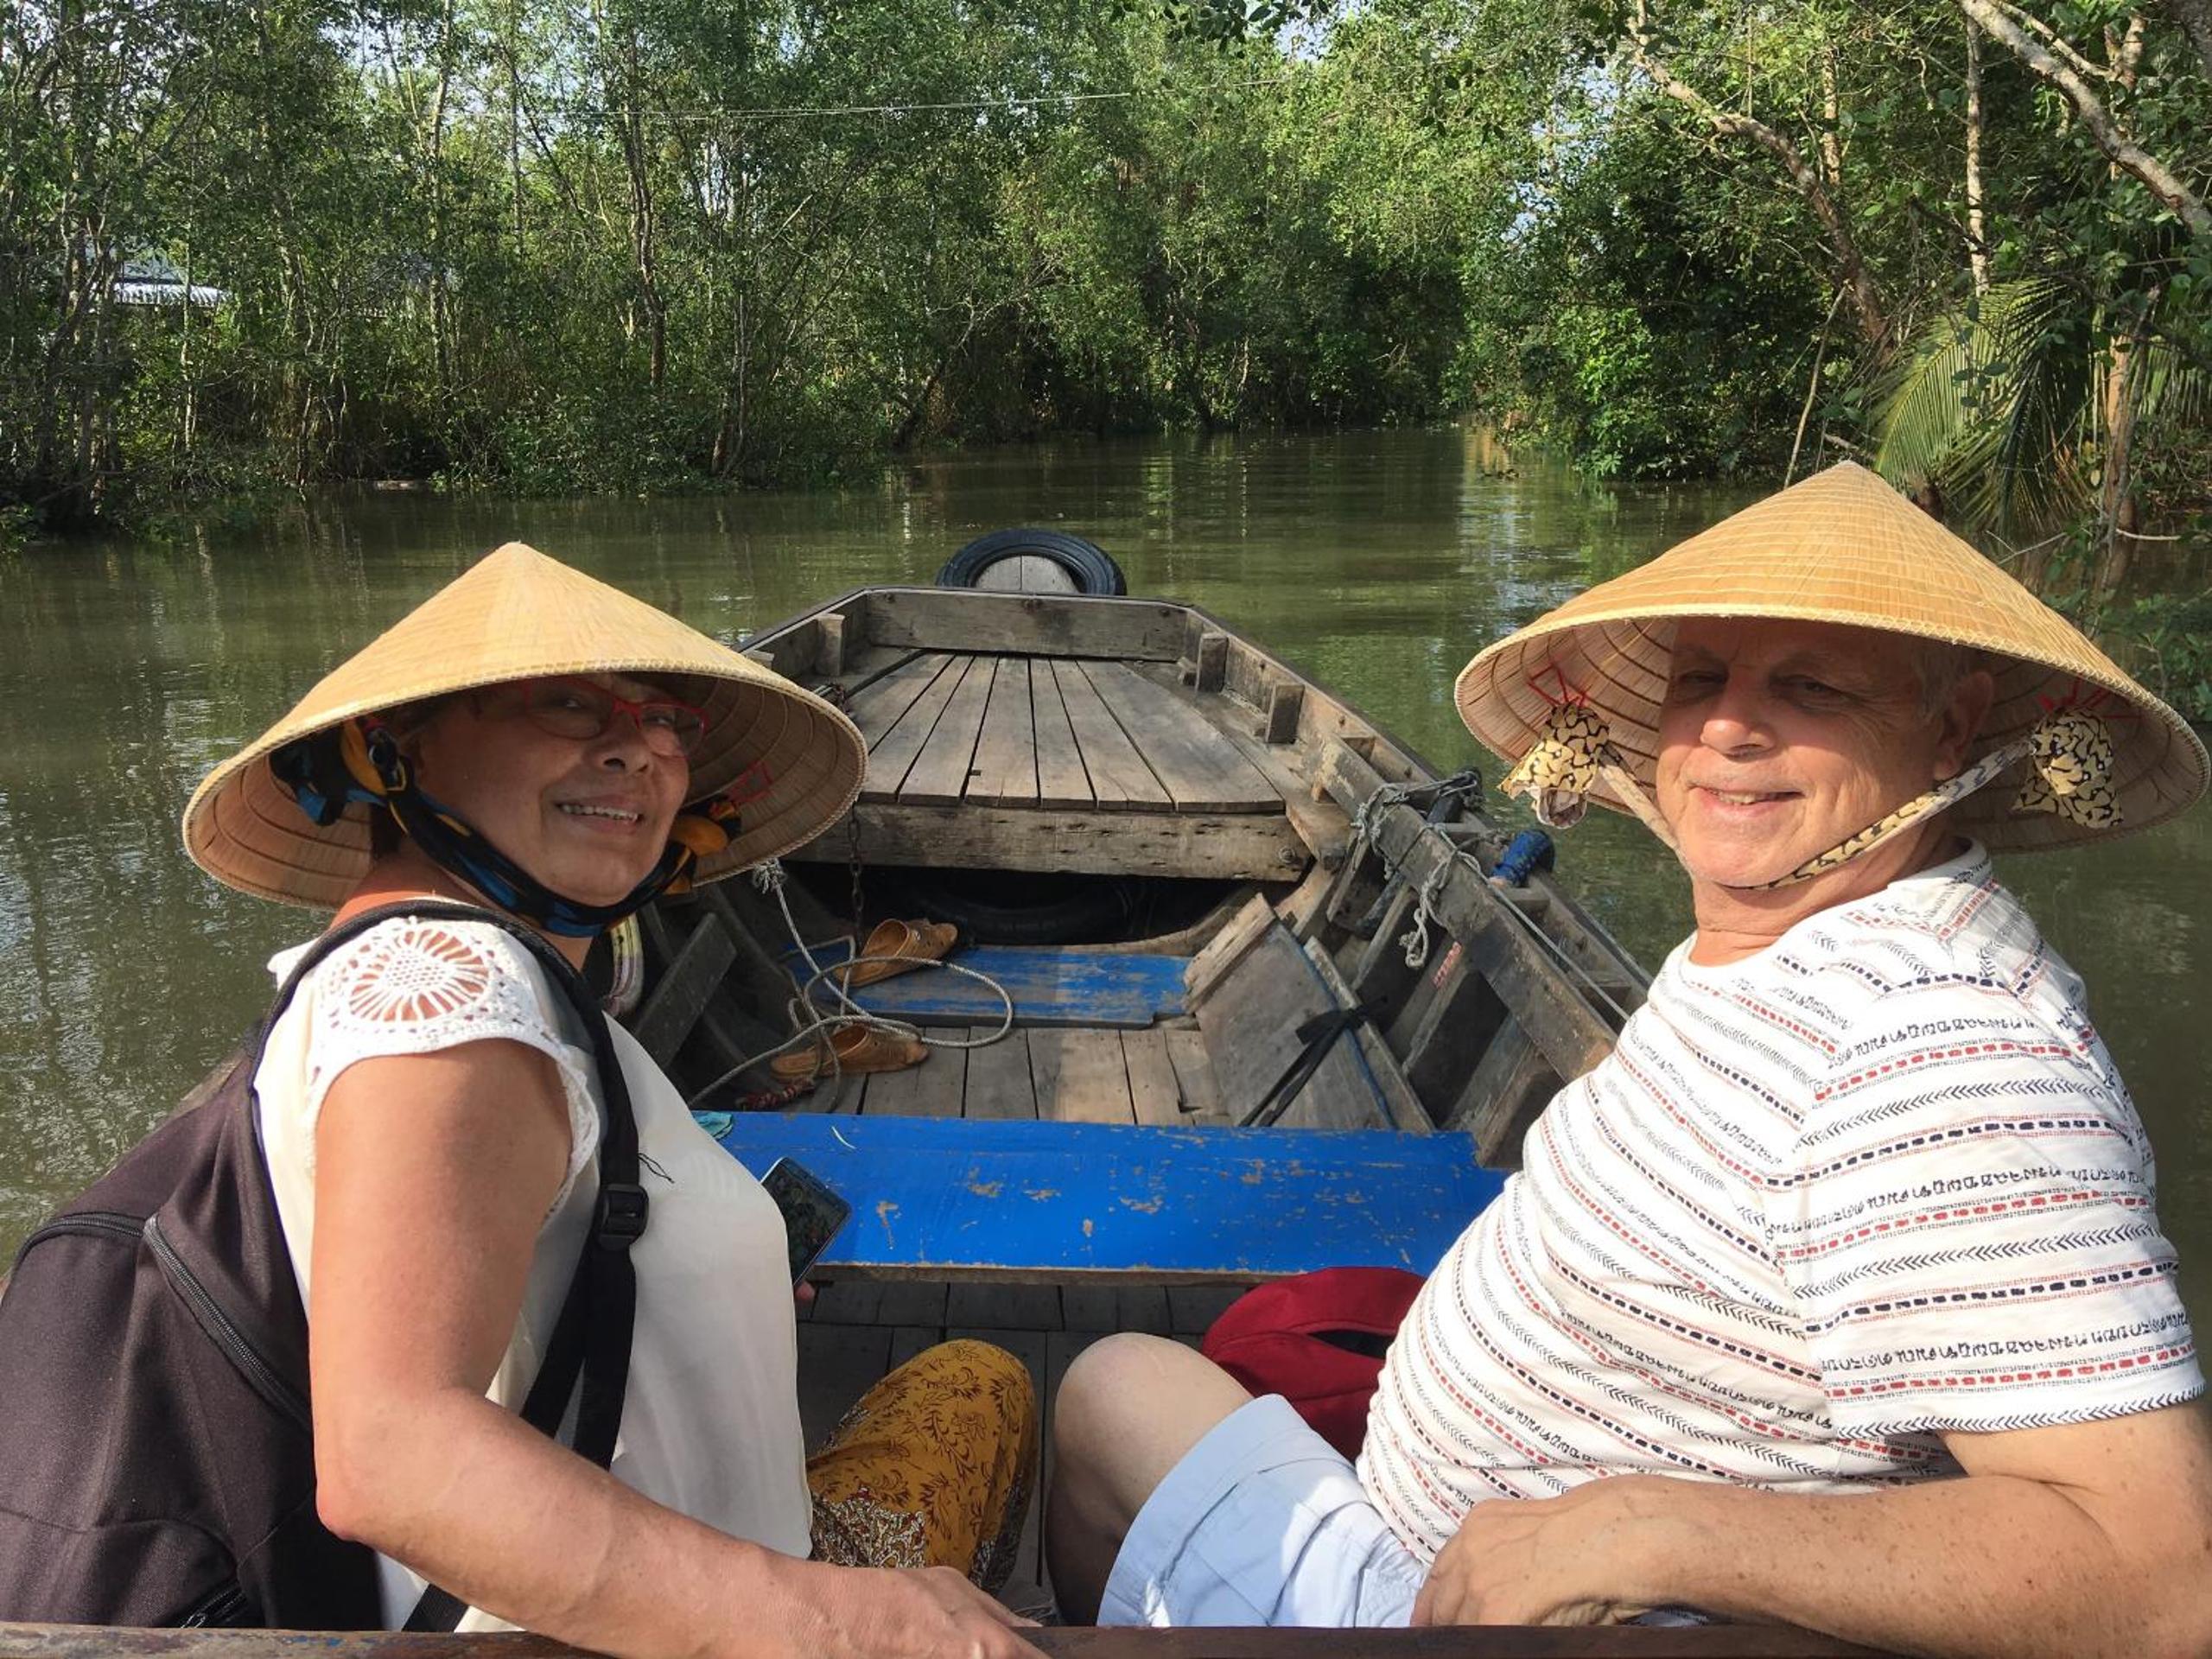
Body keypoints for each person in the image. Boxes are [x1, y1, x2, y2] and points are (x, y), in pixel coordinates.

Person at [1047, 463, 2212, 1655]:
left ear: (1952, 728)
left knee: (1106, 1396)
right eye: (1700, 679)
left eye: (1810, 686)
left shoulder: (1942, 1047)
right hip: (1452, 1555)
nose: (1726, 729)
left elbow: (2163, 1577)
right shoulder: (1795, 934)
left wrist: (1643, 1530)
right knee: (1132, 1388)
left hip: (1484, 1621)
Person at [181, 542, 1039, 1658]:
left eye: (663, 719)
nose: (637, 749)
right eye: (569, 705)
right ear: (396, 747)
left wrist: (712, 1286)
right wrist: (830, 1619)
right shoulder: (448, 994)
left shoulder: (471, 972)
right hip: (617, 1632)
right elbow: (391, 1453)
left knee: (973, 1382)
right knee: (992, 1385)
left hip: (685, 1577)